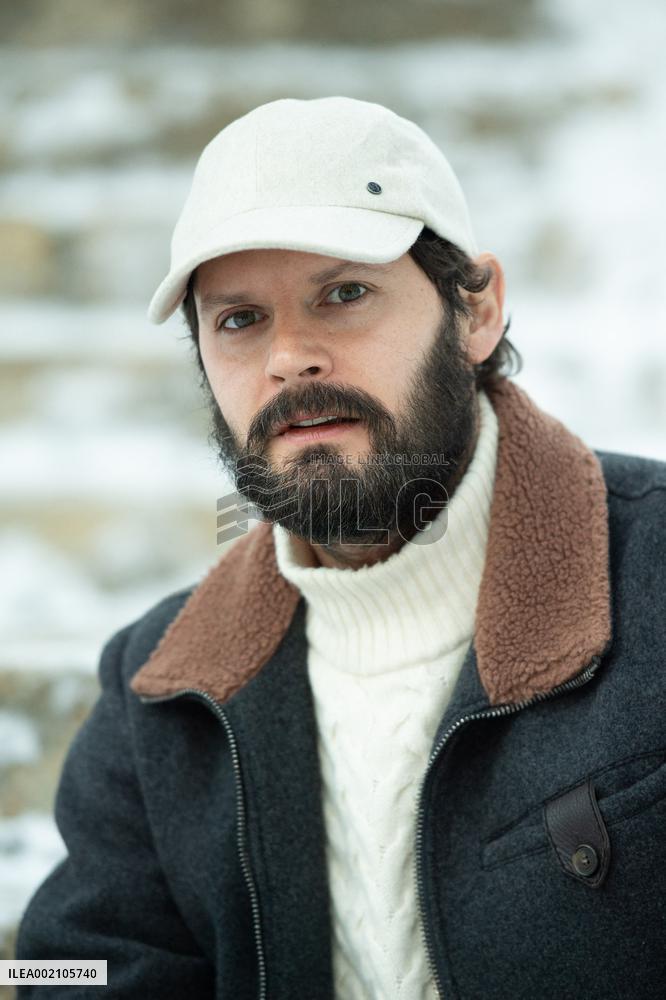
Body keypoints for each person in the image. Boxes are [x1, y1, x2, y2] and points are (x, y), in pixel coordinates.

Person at [15, 96, 665, 999]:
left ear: (476, 311)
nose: (291, 358)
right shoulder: (157, 694)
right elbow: (64, 966)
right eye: (239, 320)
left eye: (344, 294)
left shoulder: (654, 572)